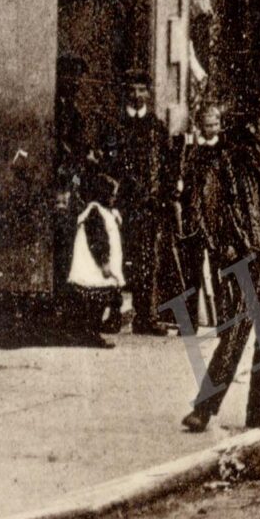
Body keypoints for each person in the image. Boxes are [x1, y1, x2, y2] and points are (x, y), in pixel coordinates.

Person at [181, 103, 260, 433]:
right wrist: (224, 247)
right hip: (245, 262)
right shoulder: (231, 164)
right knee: (234, 336)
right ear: (252, 128)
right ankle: (203, 409)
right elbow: (207, 206)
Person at [111, 75, 176, 336]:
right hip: (121, 205)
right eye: (132, 89)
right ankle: (113, 313)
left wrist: (165, 196)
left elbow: (169, 165)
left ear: (149, 93)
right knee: (116, 257)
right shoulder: (115, 126)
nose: (137, 94)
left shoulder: (157, 127)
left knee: (146, 260)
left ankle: (144, 316)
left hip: (149, 205)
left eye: (142, 89)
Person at [171, 104, 226, 330]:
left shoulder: (226, 149)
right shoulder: (189, 148)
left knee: (219, 271)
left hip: (217, 217)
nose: (211, 129)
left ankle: (223, 320)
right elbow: (181, 176)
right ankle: (189, 322)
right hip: (193, 215)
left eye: (215, 124)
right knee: (192, 269)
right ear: (200, 125)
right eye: (207, 125)